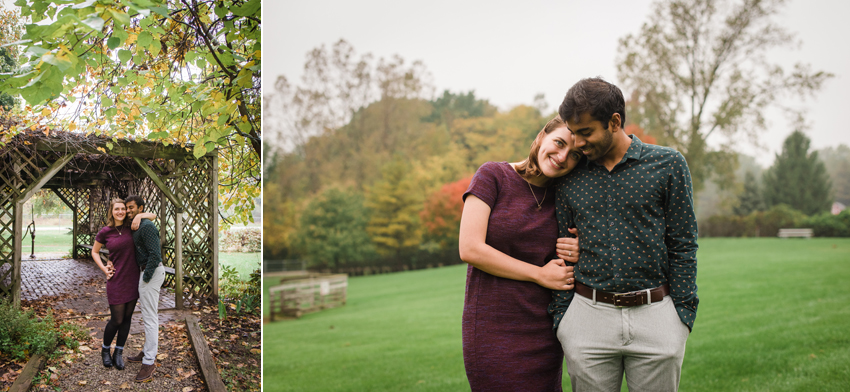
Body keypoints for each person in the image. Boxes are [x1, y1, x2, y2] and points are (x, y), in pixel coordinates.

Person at [550, 77, 698, 391]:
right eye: (573, 134)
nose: (577, 143)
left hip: (657, 317)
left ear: (615, 122)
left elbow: (683, 242)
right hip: (587, 319)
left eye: (585, 132)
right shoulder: (569, 177)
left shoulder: (668, 165)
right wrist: (564, 318)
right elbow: (562, 249)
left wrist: (682, 313)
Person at [458, 116, 584, 391]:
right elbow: (470, 248)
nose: (562, 157)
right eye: (559, 143)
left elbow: (587, 254)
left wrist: (579, 248)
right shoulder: (493, 176)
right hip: (492, 328)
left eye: (574, 154)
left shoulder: (567, 196)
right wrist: (539, 274)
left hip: (545, 328)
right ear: (542, 137)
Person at [92, 199, 156, 370]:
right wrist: (105, 268)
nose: (120, 211)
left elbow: (153, 215)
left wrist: (140, 215)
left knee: (127, 319)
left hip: (133, 278)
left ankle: (118, 352)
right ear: (111, 211)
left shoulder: (132, 225)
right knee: (116, 319)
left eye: (123, 209)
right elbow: (95, 251)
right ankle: (105, 350)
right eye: (117, 209)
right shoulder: (105, 232)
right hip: (116, 279)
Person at [122, 195, 165, 383]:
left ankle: (149, 362)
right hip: (145, 272)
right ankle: (147, 351)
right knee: (147, 314)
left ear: (140, 208)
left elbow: (156, 255)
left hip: (151, 272)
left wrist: (146, 278)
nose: (128, 210)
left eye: (131, 208)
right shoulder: (136, 223)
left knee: (150, 317)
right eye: (127, 208)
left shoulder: (147, 227)